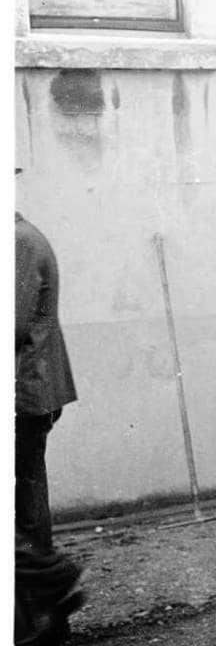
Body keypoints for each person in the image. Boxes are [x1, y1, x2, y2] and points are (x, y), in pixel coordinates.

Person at [14, 166, 84, 645]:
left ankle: (50, 578)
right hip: (29, 391)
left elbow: (10, 324)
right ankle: (39, 615)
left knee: (19, 507)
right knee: (26, 504)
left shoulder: (16, 242)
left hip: (22, 392)